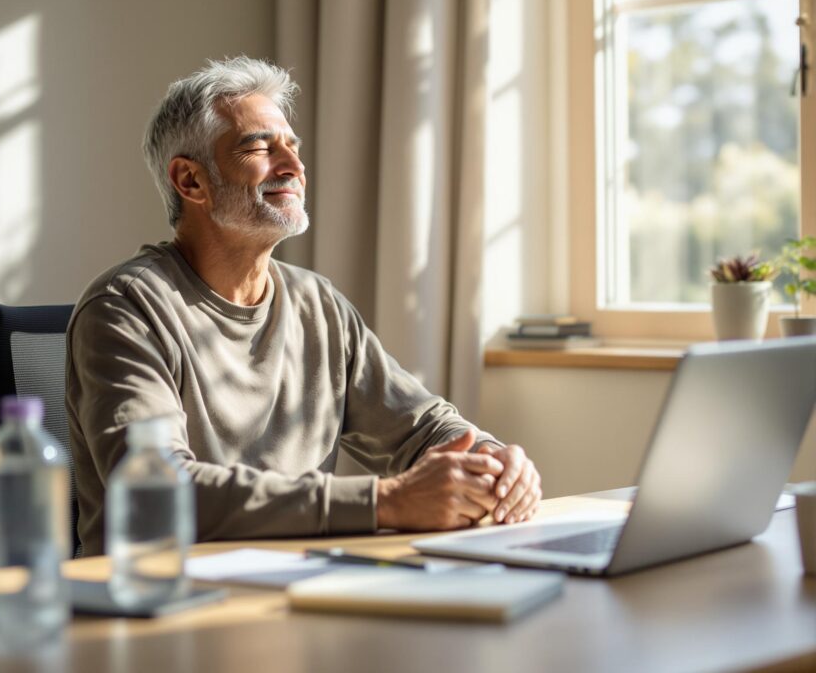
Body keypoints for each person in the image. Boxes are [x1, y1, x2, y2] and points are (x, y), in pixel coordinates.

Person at [66, 57, 541, 555]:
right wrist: (385, 502)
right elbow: (155, 490)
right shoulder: (125, 307)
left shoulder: (318, 303)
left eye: (292, 147)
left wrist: (492, 461)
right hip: (161, 591)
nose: (294, 167)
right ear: (190, 181)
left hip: (301, 582)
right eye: (260, 147)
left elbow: (421, 427)